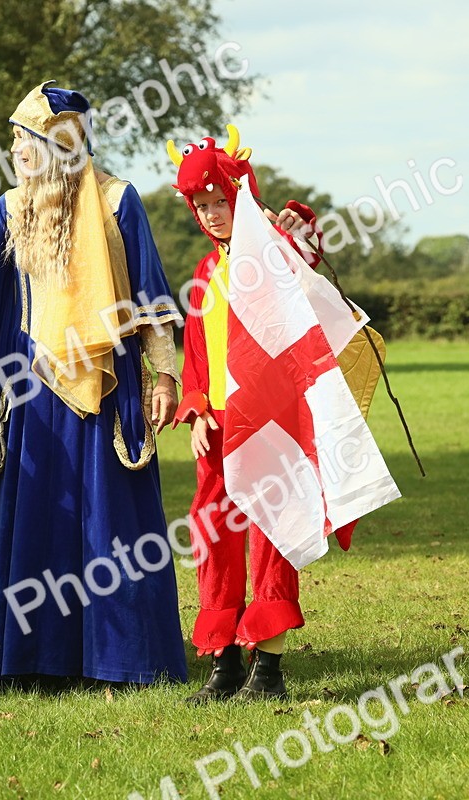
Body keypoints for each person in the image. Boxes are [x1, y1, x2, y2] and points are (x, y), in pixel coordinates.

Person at [0, 81, 188, 690]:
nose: (15, 151)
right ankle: (31, 659)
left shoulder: (118, 202)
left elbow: (152, 299)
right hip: (28, 395)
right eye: (15, 139)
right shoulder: (10, 208)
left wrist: (166, 372)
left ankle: (120, 661)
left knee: (112, 524)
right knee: (41, 520)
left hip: (105, 390)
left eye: (24, 139)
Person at [169, 129, 330, 704]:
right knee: (215, 535)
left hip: (275, 424)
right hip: (219, 426)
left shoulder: (278, 257)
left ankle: (270, 669)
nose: (212, 215)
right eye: (202, 206)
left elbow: (312, 281)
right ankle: (225, 665)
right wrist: (194, 412)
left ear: (242, 195)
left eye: (221, 201)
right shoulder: (205, 272)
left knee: (272, 533)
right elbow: (195, 351)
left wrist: (296, 233)